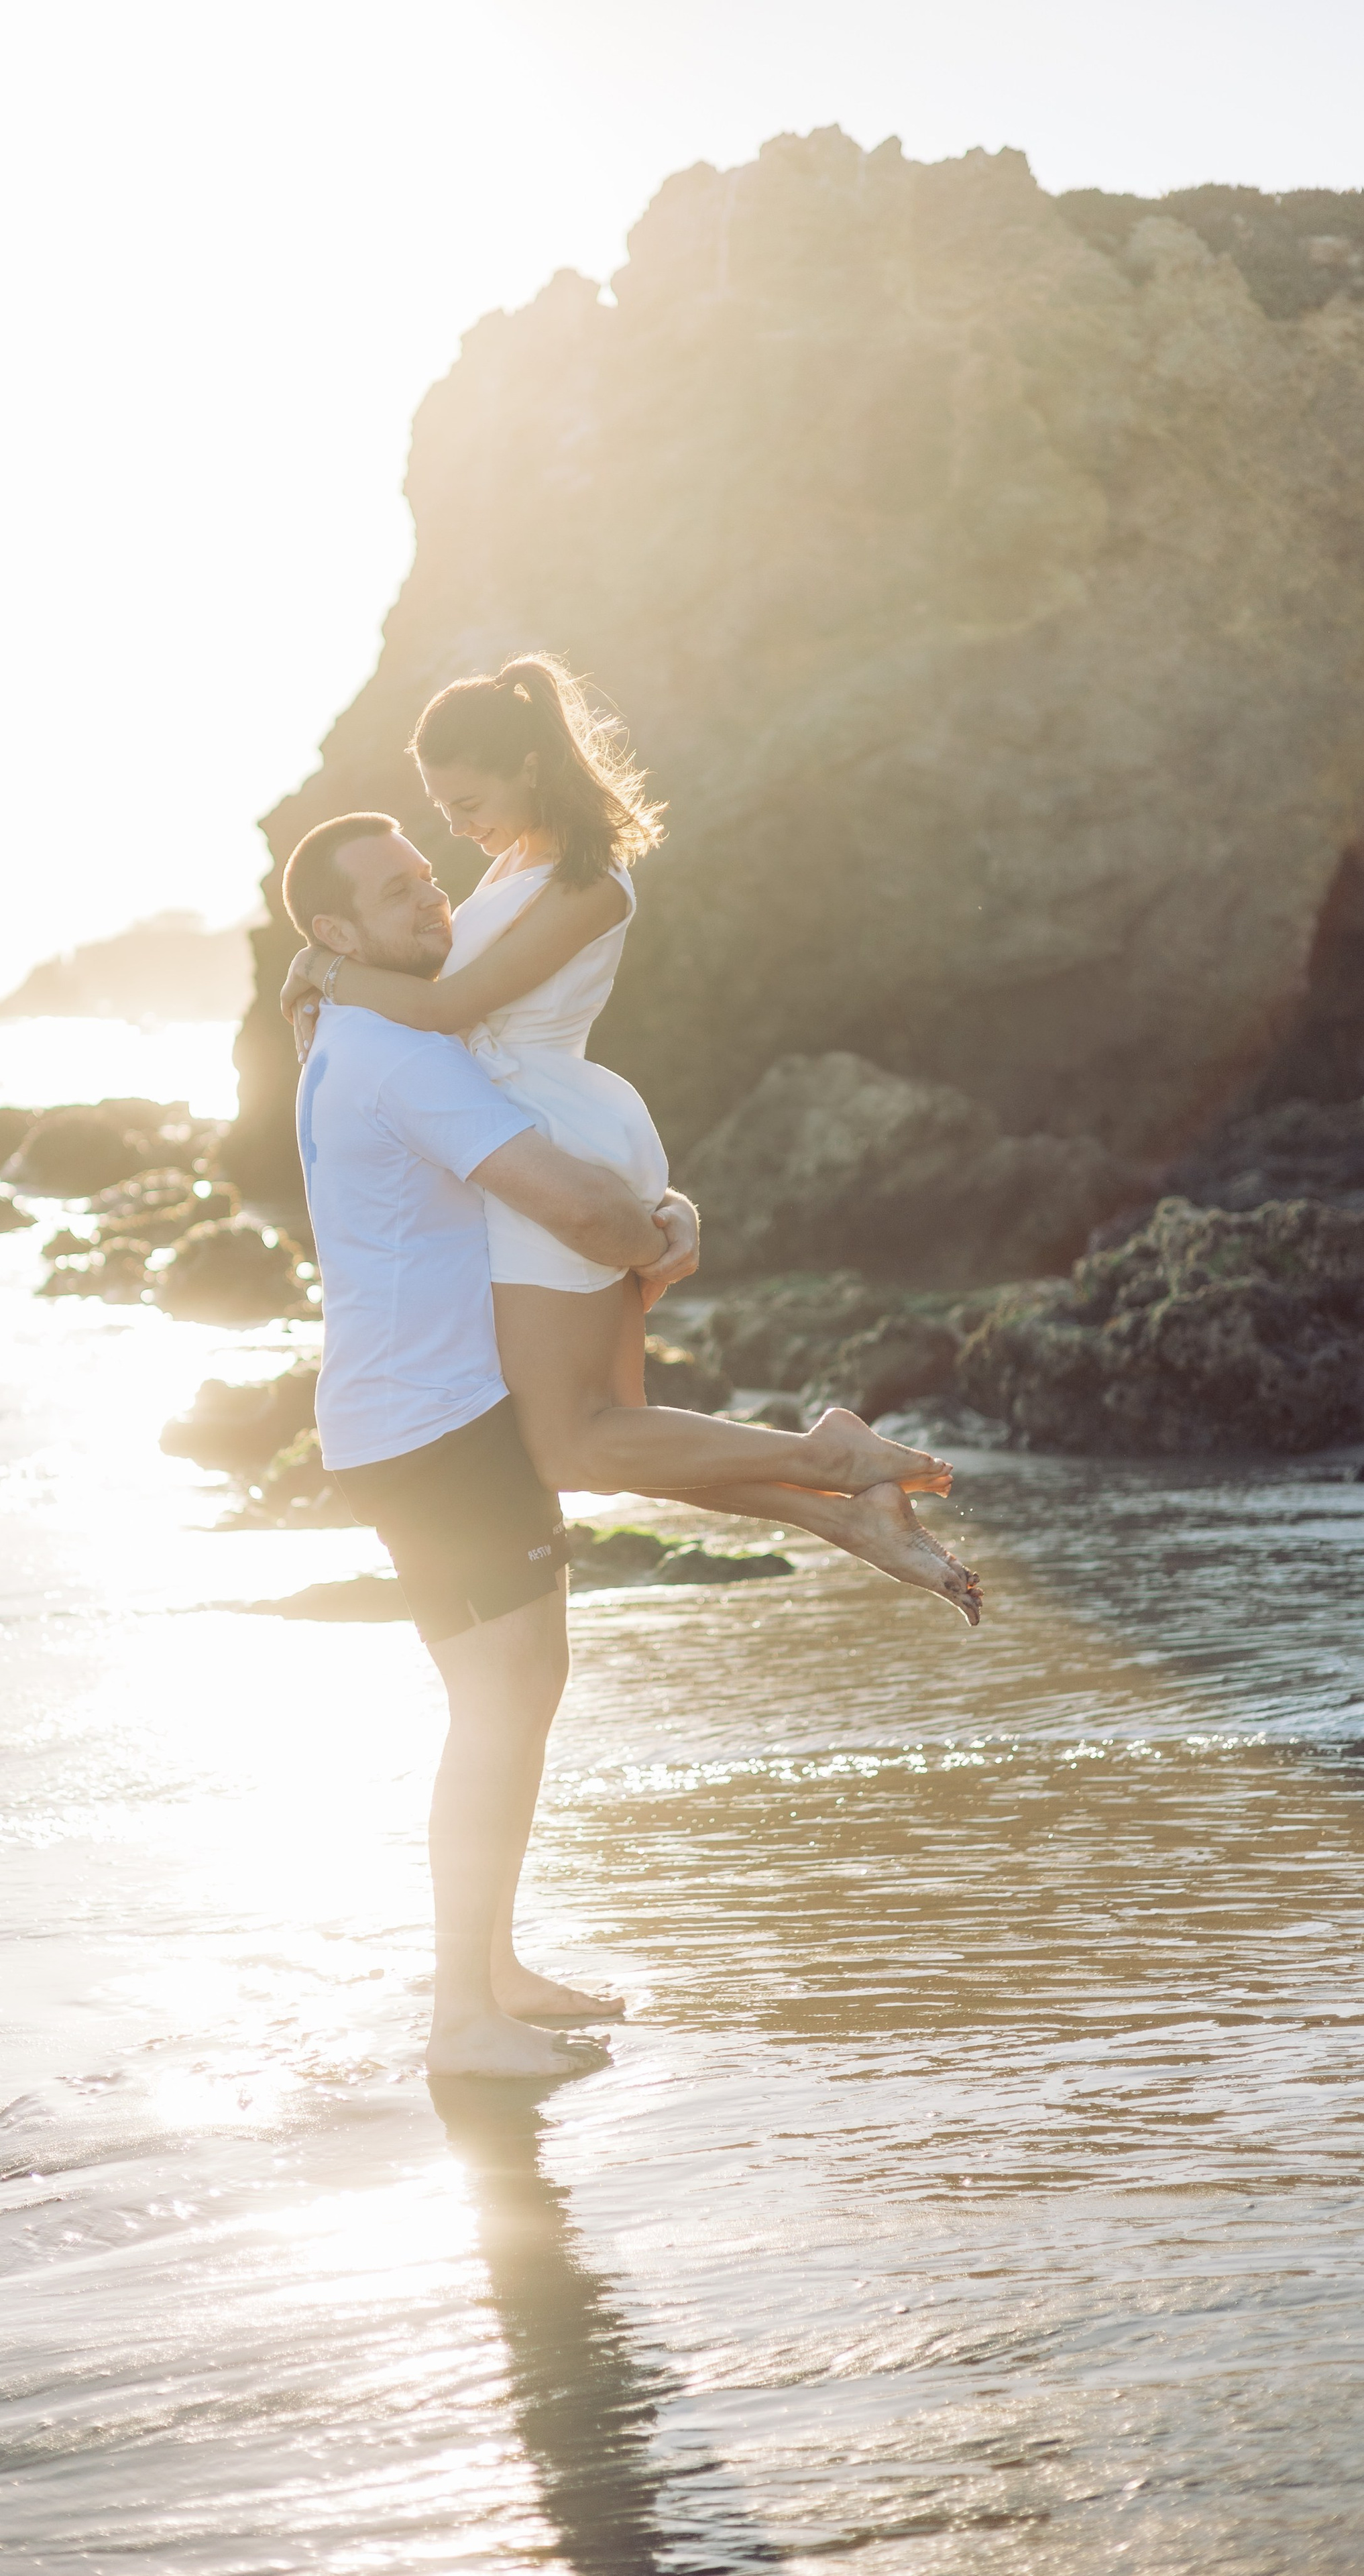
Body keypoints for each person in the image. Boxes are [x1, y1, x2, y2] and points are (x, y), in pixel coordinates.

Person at [281, 659, 983, 1627]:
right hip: (535, 1129)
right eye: (442, 806)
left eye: (468, 798)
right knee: (614, 1430)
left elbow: (445, 1007)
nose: (456, 824)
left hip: (542, 1136)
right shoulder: (514, 860)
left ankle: (832, 1458)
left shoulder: (588, 881)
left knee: (573, 1446)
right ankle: (848, 1512)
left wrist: (322, 967)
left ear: (528, 765)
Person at [288, 811, 700, 2080]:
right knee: (502, 1702)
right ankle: (462, 2020)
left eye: (429, 877)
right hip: (435, 1421)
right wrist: (661, 1234)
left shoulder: (365, 1033)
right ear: (336, 933)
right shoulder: (404, 1057)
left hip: (407, 1415)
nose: (430, 899)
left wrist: (647, 1215)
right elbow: (566, 1200)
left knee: (511, 1697)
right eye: (393, 891)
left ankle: (491, 1972)